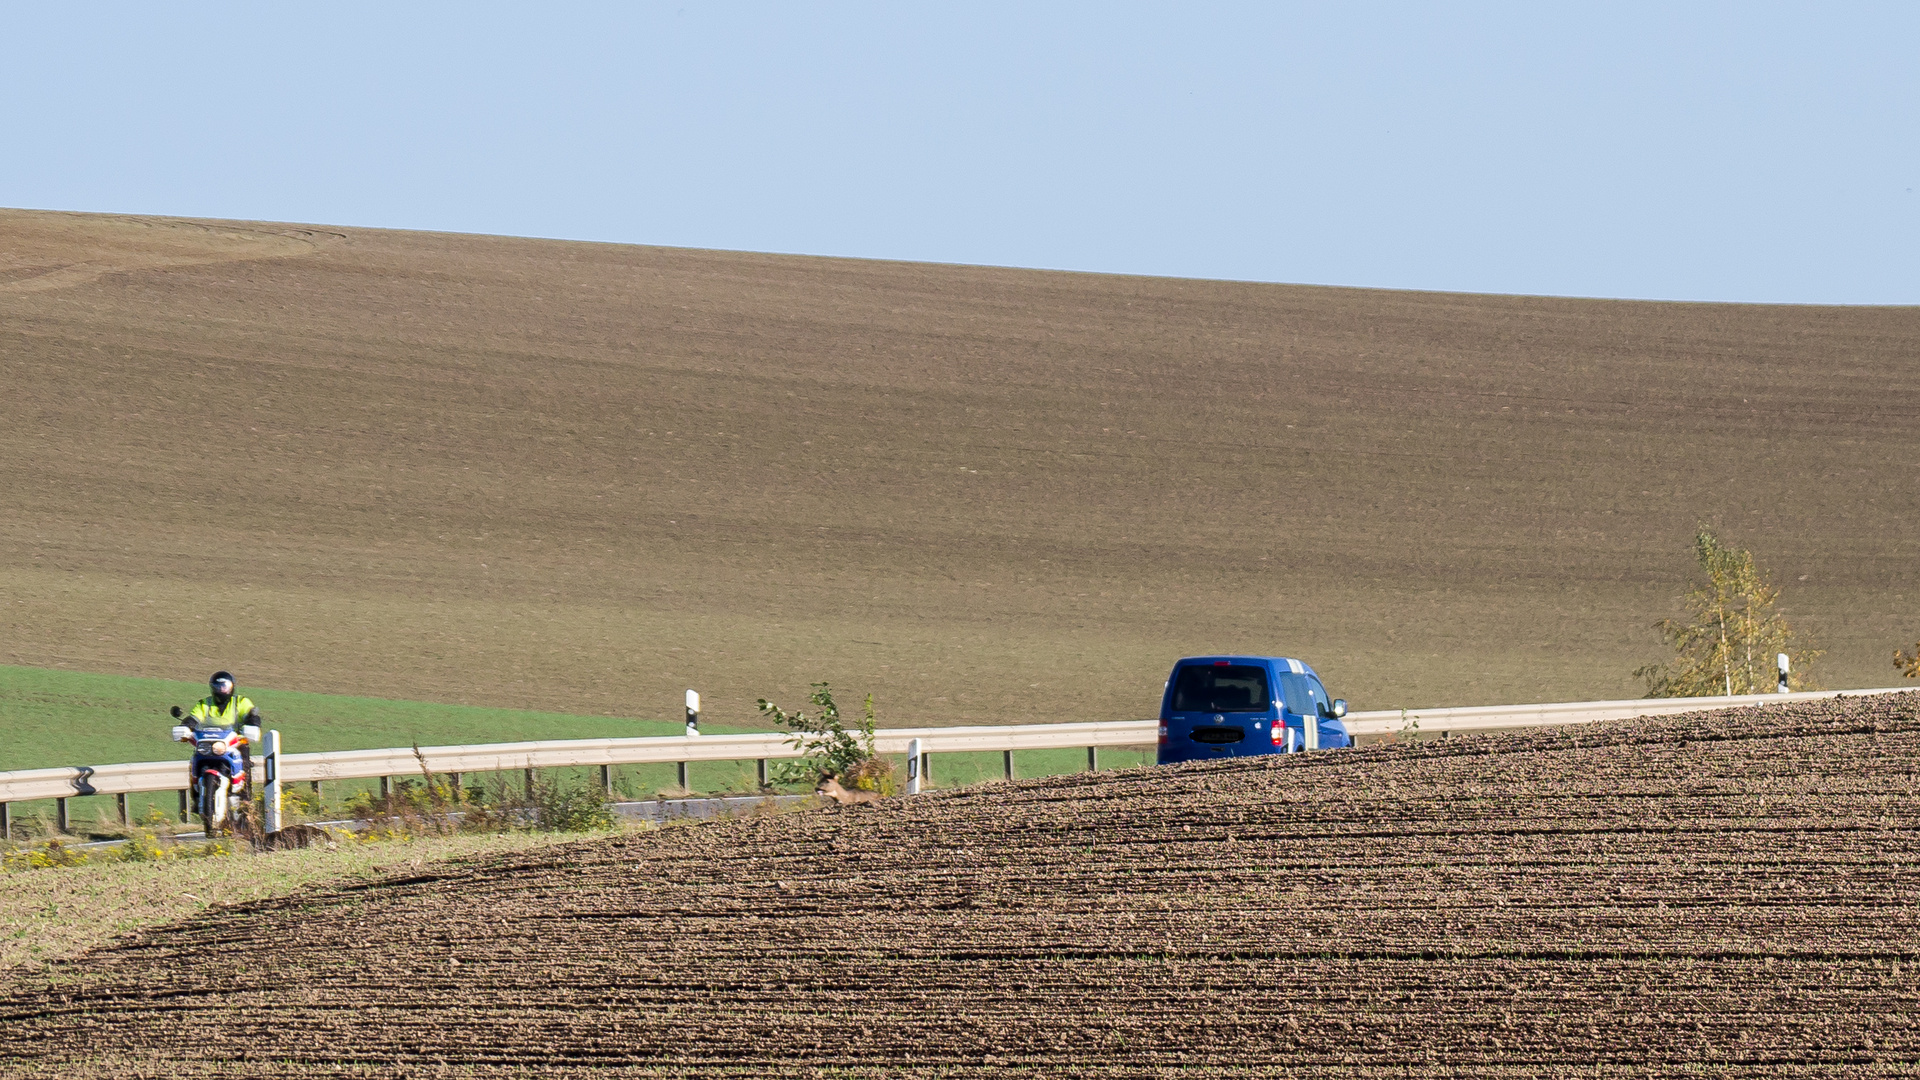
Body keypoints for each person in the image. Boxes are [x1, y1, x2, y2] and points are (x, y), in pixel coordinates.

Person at [181, 671, 264, 814]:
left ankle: (245, 802)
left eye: (224, 686)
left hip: (235, 743)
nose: (221, 690)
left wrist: (253, 723)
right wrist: (185, 726)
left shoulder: (241, 702)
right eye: (218, 686)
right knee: (195, 762)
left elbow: (251, 715)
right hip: (208, 742)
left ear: (232, 687)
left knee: (244, 764)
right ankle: (196, 799)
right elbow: (194, 718)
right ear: (212, 687)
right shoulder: (204, 704)